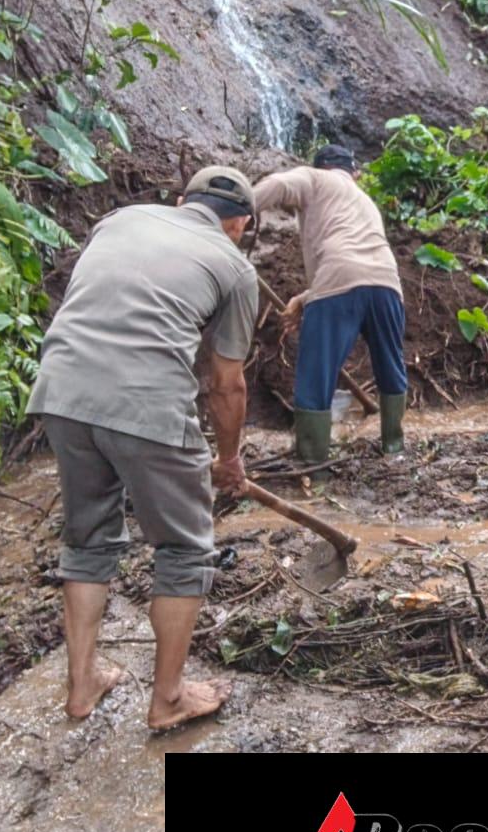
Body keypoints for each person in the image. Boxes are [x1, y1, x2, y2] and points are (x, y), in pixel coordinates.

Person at [28, 166, 258, 730]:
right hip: (146, 402)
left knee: (87, 539)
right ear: (241, 225)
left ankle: (83, 686)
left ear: (182, 201)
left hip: (61, 388)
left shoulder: (121, 219)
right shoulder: (234, 266)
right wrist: (227, 460)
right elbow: (227, 382)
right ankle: (170, 698)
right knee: (183, 548)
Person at [254, 144, 407, 465]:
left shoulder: (313, 178)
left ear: (320, 166)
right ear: (353, 173)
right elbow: (360, 265)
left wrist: (237, 208)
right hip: (387, 283)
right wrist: (305, 298)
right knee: (390, 367)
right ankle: (394, 448)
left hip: (339, 280)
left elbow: (279, 186)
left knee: (316, 374)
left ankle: (314, 467)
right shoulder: (363, 200)